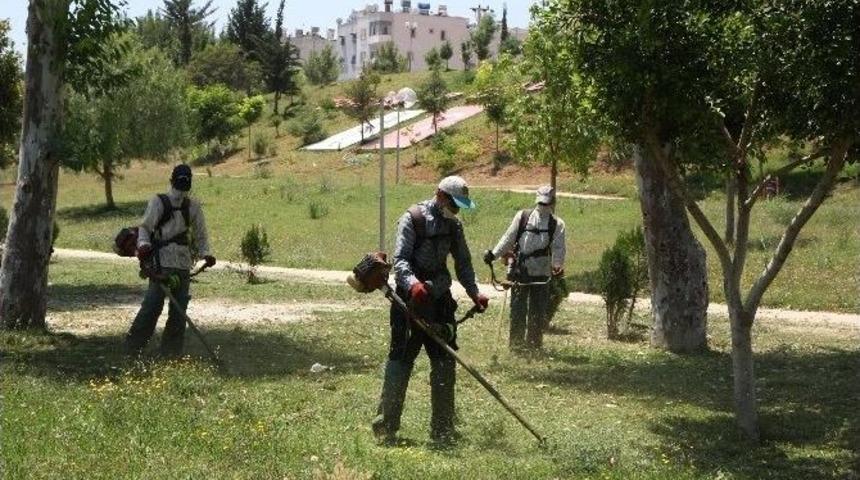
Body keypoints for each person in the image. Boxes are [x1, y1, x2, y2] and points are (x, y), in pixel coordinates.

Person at [372, 175, 489, 444]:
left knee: (445, 363)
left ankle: (443, 428)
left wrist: (474, 293)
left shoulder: (454, 227)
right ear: (439, 195)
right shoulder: (412, 218)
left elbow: (463, 263)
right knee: (401, 361)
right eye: (453, 204)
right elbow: (400, 260)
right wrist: (413, 285)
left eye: (460, 206)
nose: (456, 210)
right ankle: (386, 426)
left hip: (440, 300)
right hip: (409, 303)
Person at [125, 164, 216, 357]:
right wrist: (143, 246)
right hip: (161, 264)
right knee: (152, 307)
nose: (182, 184)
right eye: (181, 179)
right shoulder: (158, 202)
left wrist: (206, 254)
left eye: (186, 180)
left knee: (178, 312)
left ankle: (171, 354)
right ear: (173, 180)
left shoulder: (193, 206)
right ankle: (133, 348)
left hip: (182, 264)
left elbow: (201, 235)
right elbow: (145, 229)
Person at [483, 185, 566, 350]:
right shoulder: (522, 217)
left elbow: (559, 248)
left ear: (552, 203)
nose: (543, 207)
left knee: (537, 312)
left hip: (542, 274)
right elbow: (508, 237)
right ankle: (516, 346)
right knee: (517, 311)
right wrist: (494, 254)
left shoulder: (557, 224)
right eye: (540, 203)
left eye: (546, 203)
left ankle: (534, 346)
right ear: (537, 201)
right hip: (520, 271)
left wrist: (557, 265)